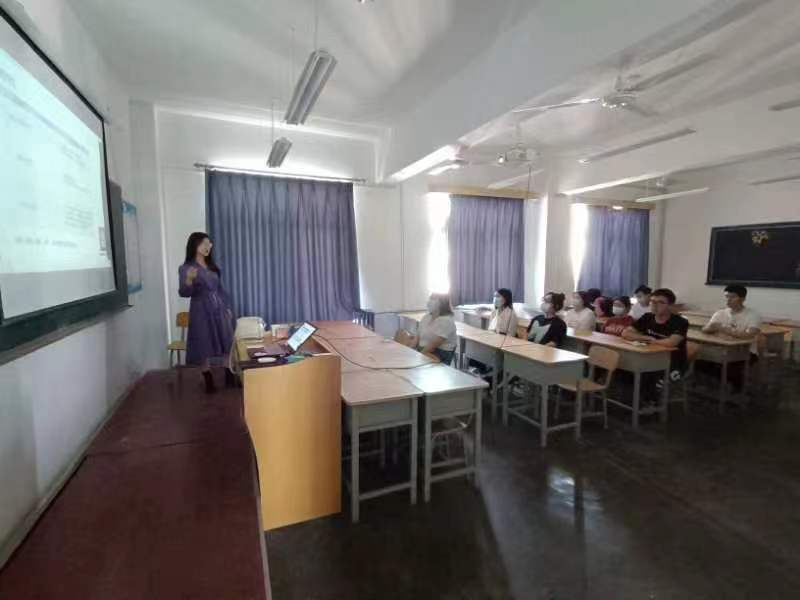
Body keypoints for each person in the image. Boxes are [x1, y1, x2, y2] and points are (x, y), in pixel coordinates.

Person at [179, 232, 235, 393]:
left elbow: (220, 290)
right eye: (204, 243)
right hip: (201, 309)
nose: (208, 246)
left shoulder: (213, 267)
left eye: (209, 244)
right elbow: (184, 292)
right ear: (195, 245)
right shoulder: (186, 268)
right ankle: (208, 379)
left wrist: (227, 307)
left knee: (226, 341)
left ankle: (229, 375)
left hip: (219, 308)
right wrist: (189, 279)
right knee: (204, 343)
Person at [703, 285, 762, 392]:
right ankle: (715, 389)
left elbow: (749, 334)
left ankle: (736, 392)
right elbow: (705, 329)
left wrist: (723, 328)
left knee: (731, 368)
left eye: (732, 297)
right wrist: (709, 328)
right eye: (726, 296)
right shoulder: (720, 313)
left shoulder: (753, 315)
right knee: (700, 361)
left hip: (745, 351)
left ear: (742, 299)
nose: (728, 300)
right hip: (721, 349)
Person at [623, 288, 689, 380]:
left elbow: (670, 343)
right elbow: (626, 333)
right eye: (652, 301)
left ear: (670, 306)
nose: (654, 305)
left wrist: (644, 339)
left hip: (672, 361)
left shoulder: (681, 322)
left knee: (651, 379)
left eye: (660, 302)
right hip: (649, 356)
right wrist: (647, 338)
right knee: (626, 371)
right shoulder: (647, 317)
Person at [413, 292, 457, 365]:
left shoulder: (446, 321)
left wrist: (417, 355)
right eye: (430, 298)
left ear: (442, 303)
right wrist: (410, 349)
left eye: (433, 299)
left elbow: (434, 345)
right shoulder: (426, 317)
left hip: (438, 354)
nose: (429, 301)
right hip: (424, 351)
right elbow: (417, 336)